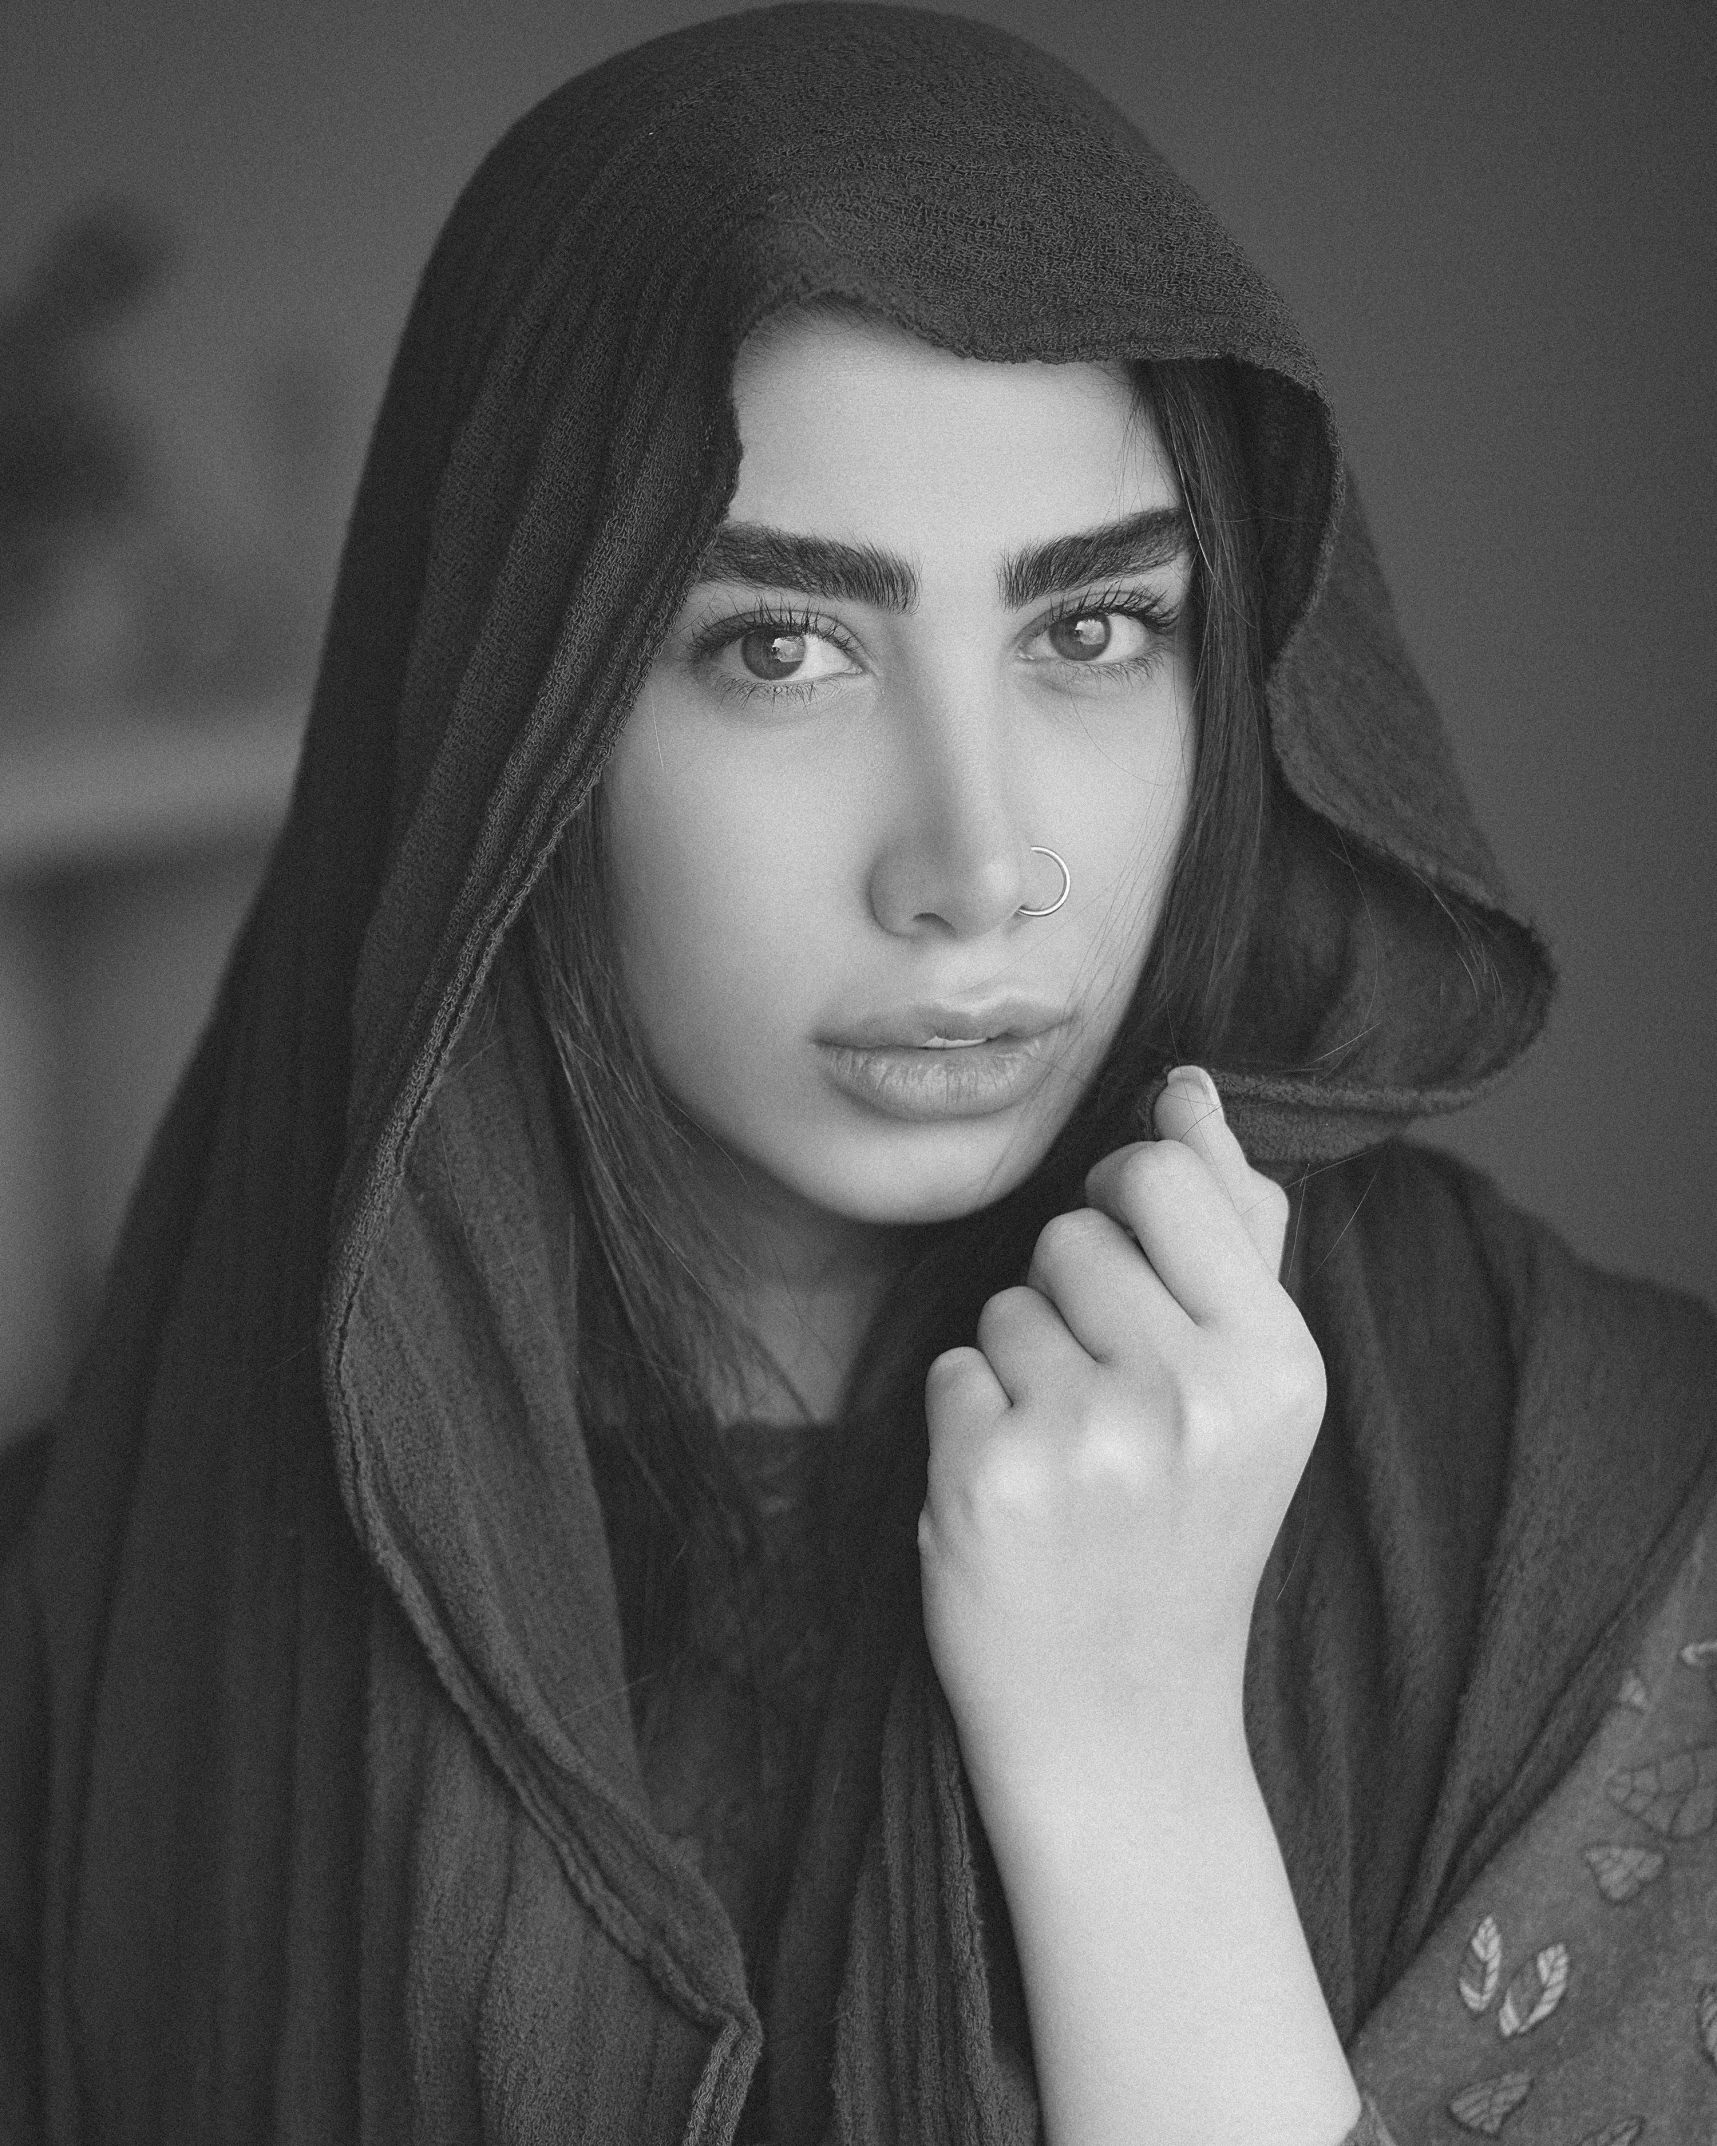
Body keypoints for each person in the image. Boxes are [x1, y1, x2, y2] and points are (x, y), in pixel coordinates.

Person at [2, 7, 1712, 2142]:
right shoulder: (100, 1622)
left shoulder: (1601, 1520)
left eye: (1093, 630)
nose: (976, 868)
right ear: (513, 718)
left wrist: (1135, 1765)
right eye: (780, 646)